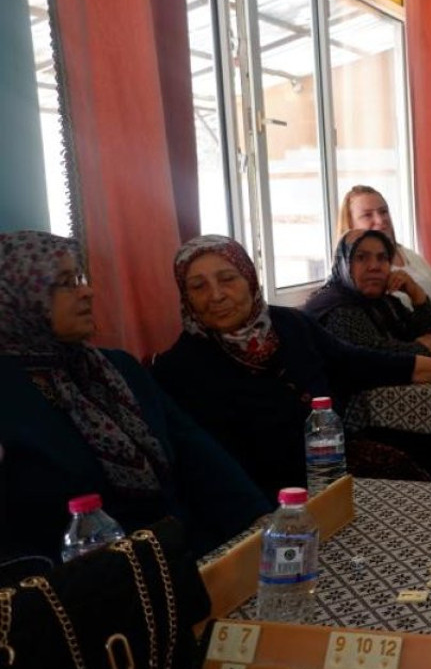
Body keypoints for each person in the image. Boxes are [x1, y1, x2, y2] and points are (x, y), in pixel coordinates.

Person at [0, 231, 269, 561]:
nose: (87, 292)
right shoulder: (10, 396)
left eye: (80, 279)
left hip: (184, 553)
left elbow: (198, 454)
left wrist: (260, 520)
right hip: (85, 581)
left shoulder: (115, 368)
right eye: (67, 283)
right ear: (17, 297)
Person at [152, 236, 431, 498]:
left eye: (227, 279)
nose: (216, 295)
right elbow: (208, 469)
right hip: (263, 496)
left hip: (332, 465)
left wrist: (418, 366)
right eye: (198, 286)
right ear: (186, 297)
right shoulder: (179, 368)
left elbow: (351, 360)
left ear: (249, 279)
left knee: (419, 480)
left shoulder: (289, 324)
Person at [338, 185, 431, 335]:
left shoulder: (408, 254)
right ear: (350, 225)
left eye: (383, 212)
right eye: (367, 215)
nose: (380, 220)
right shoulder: (366, 275)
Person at [304, 229, 431, 357]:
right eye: (361, 257)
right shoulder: (334, 308)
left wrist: (415, 293)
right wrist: (423, 348)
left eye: (382, 258)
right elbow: (374, 359)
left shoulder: (385, 303)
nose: (374, 266)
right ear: (344, 264)